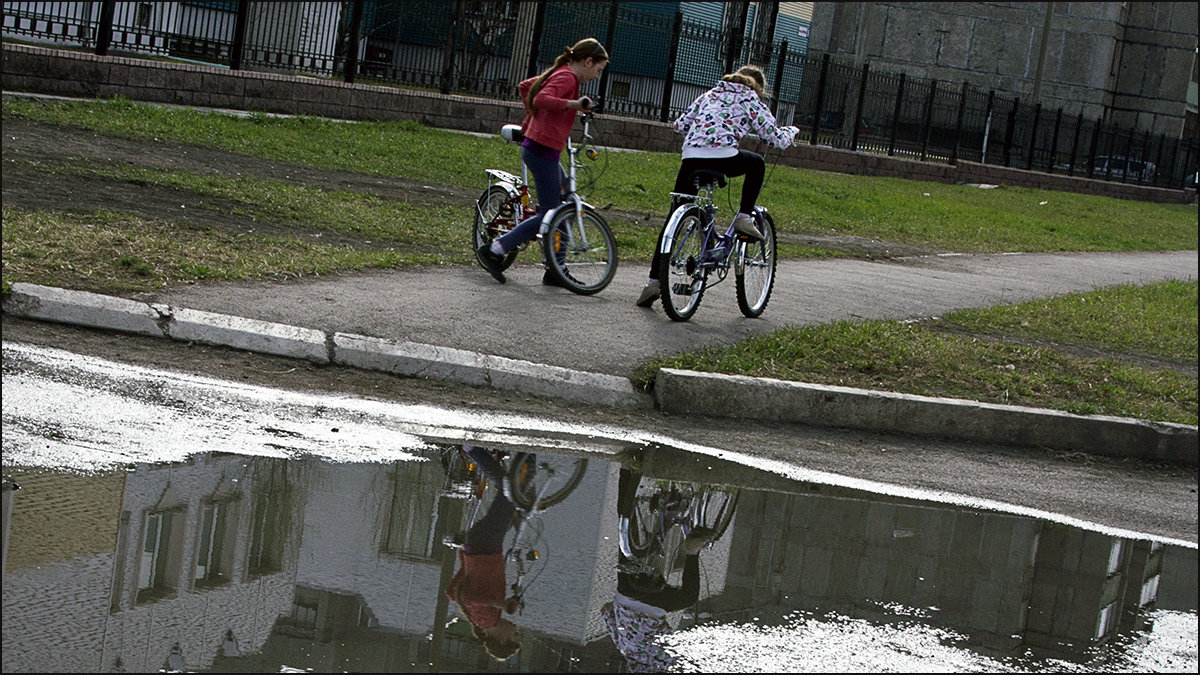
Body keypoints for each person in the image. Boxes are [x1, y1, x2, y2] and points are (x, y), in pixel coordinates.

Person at [636, 64, 799, 308]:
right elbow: (774, 138)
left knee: (674, 217)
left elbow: (679, 125)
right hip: (724, 156)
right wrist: (792, 131)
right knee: (756, 164)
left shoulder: (709, 93)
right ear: (757, 88)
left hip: (690, 158)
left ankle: (653, 282)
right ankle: (745, 216)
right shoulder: (749, 98)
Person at [476, 37, 609, 285]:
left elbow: (526, 86)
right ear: (588, 61)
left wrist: (534, 121)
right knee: (552, 212)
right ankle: (495, 250)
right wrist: (570, 106)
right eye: (597, 70)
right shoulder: (567, 77)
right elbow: (540, 98)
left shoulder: (563, 73)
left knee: (566, 200)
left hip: (543, 149)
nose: (596, 76)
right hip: (541, 151)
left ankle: (555, 268)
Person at [602, 467, 716, 672]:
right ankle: (628, 474)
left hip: (654, 606)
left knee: (688, 597)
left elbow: (675, 642)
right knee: (626, 539)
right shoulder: (625, 651)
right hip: (625, 593)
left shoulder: (662, 664)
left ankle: (692, 550)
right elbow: (606, 611)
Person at [444, 446, 522, 660]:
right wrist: (467, 562)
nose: (516, 629)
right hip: (480, 547)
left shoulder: (486, 621)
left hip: (484, 546)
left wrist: (501, 603)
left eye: (515, 635)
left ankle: (474, 452)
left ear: (503, 640)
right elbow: (453, 592)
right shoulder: (483, 618)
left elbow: (470, 598)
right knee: (515, 500)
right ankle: (523, 461)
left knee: (509, 492)